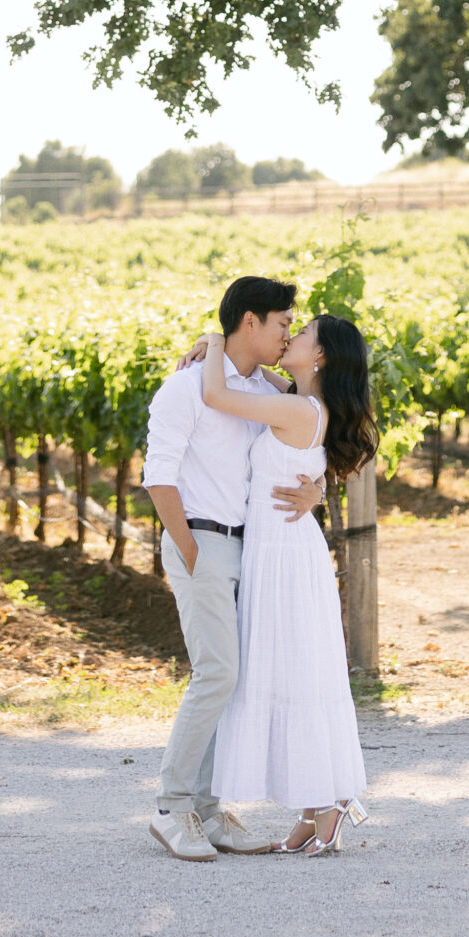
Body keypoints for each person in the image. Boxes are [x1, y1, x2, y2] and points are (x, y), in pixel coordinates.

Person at [143, 274, 326, 862]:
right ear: (250, 321)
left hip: (251, 548)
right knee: (218, 673)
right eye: (281, 324)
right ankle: (173, 808)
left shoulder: (251, 387)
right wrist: (188, 548)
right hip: (201, 541)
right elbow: (158, 475)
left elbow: (301, 440)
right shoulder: (188, 385)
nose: (287, 334)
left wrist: (317, 489)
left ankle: (208, 808)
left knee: (236, 679)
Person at [197, 310, 378, 855]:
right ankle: (315, 805)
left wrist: (211, 342)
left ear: (319, 356)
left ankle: (327, 803)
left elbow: (217, 397)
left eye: (302, 335)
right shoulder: (298, 399)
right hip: (278, 552)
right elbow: (260, 379)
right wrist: (319, 486)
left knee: (296, 673)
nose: (290, 337)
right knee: (296, 672)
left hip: (283, 556)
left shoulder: (298, 407)